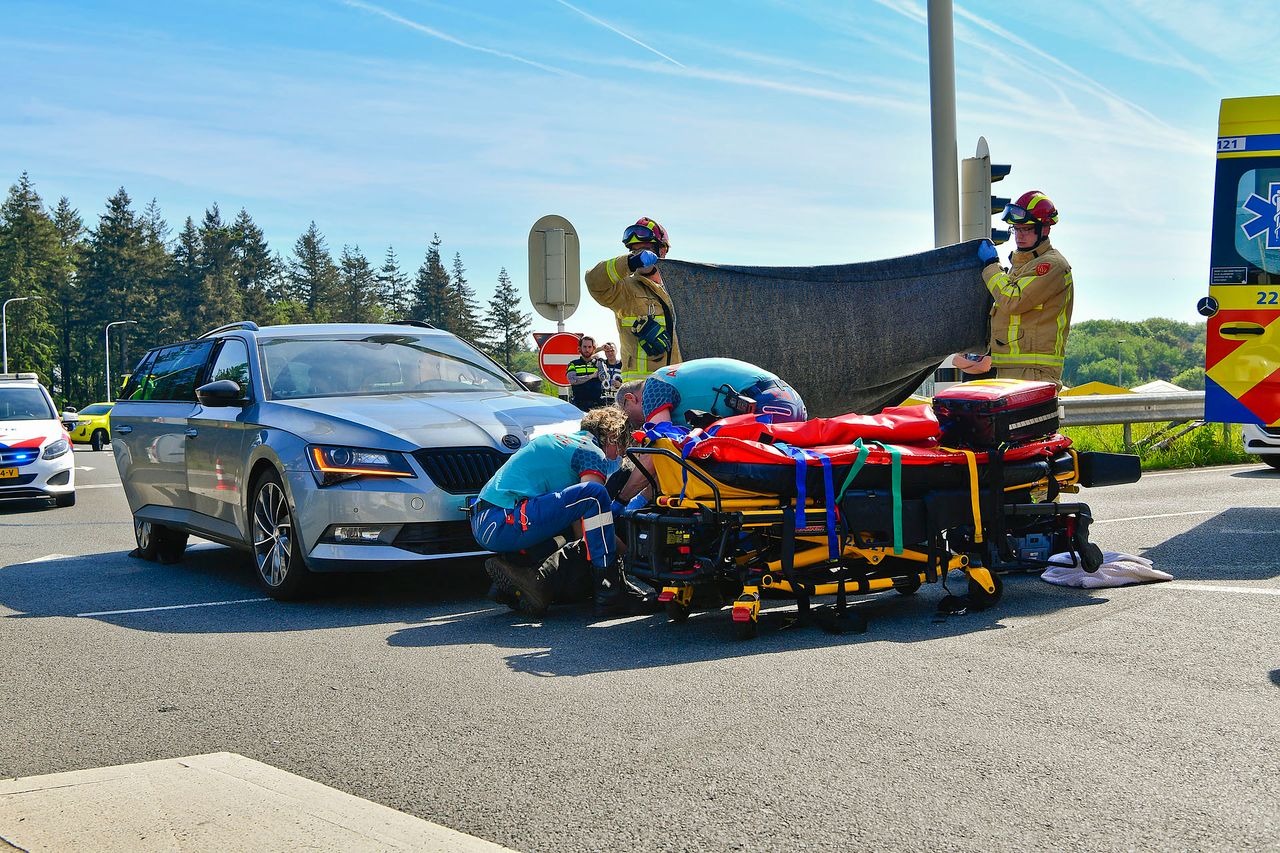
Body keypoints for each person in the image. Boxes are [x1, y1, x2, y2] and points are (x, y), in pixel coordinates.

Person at [470, 406, 650, 617]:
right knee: (595, 494)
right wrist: (627, 553)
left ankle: (518, 573)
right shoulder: (592, 452)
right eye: (621, 448)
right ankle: (609, 592)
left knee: (571, 527)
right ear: (612, 437)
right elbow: (591, 518)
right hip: (505, 519)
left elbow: (576, 526)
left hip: (488, 520)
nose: (618, 457)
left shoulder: (562, 442)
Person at [976, 191, 1074, 387]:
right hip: (1011, 370)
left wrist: (991, 266)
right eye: (1016, 229)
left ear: (1044, 229)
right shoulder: (1021, 265)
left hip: (1034, 373)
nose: (1019, 236)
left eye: (1027, 229)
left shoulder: (1051, 265)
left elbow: (1013, 301)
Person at [585, 217, 683, 382]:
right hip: (639, 388)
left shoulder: (678, 290)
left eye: (645, 249)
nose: (639, 255)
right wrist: (628, 263)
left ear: (662, 250)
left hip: (678, 383)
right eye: (634, 251)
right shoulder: (625, 289)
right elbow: (593, 282)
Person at [632, 357, 807, 429]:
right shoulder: (670, 377)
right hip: (786, 398)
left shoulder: (654, 386)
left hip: (768, 401)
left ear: (630, 399)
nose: (638, 425)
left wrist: (626, 495)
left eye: (627, 416)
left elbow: (660, 446)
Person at [565, 335, 607, 411]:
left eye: (589, 347)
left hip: (598, 406)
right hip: (578, 405)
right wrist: (591, 376)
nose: (587, 350)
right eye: (584, 347)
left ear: (593, 348)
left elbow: (603, 377)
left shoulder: (599, 362)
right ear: (580, 348)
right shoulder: (573, 364)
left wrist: (600, 360)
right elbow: (573, 380)